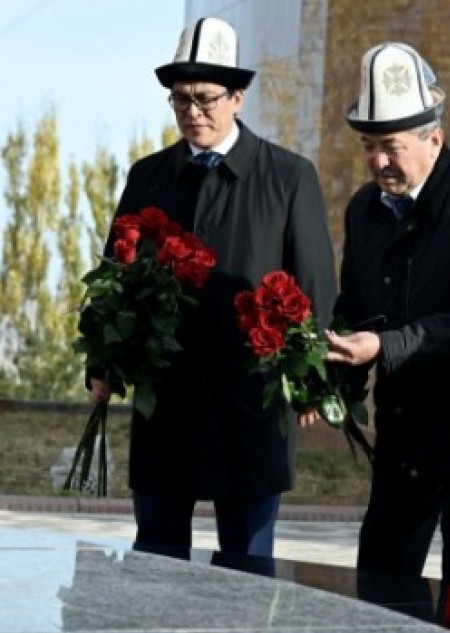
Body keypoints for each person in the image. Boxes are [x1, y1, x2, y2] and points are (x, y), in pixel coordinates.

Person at [87, 17, 336, 557]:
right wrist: (103, 361)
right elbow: (115, 274)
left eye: (206, 99)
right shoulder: (148, 175)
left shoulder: (288, 177)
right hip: (168, 397)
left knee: (247, 562)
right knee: (155, 554)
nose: (192, 113)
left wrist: (314, 379)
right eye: (179, 100)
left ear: (239, 98)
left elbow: (315, 284)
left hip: (250, 399)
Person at [321, 43, 450, 601]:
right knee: (380, 592)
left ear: (433, 138)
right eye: (368, 146)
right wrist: (335, 379)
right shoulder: (364, 210)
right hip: (406, 435)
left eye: (391, 146)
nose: (378, 161)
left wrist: (382, 348)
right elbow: (356, 304)